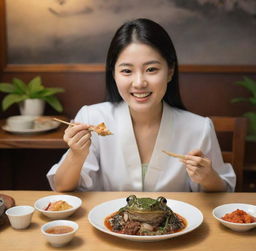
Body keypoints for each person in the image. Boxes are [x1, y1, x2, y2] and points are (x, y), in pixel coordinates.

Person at [47, 18, 236, 192]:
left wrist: (208, 177)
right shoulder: (92, 118)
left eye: (151, 69)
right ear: (114, 74)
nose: (139, 82)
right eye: (127, 70)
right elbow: (62, 188)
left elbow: (224, 193)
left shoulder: (199, 128)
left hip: (175, 228)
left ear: (170, 71)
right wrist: (76, 155)